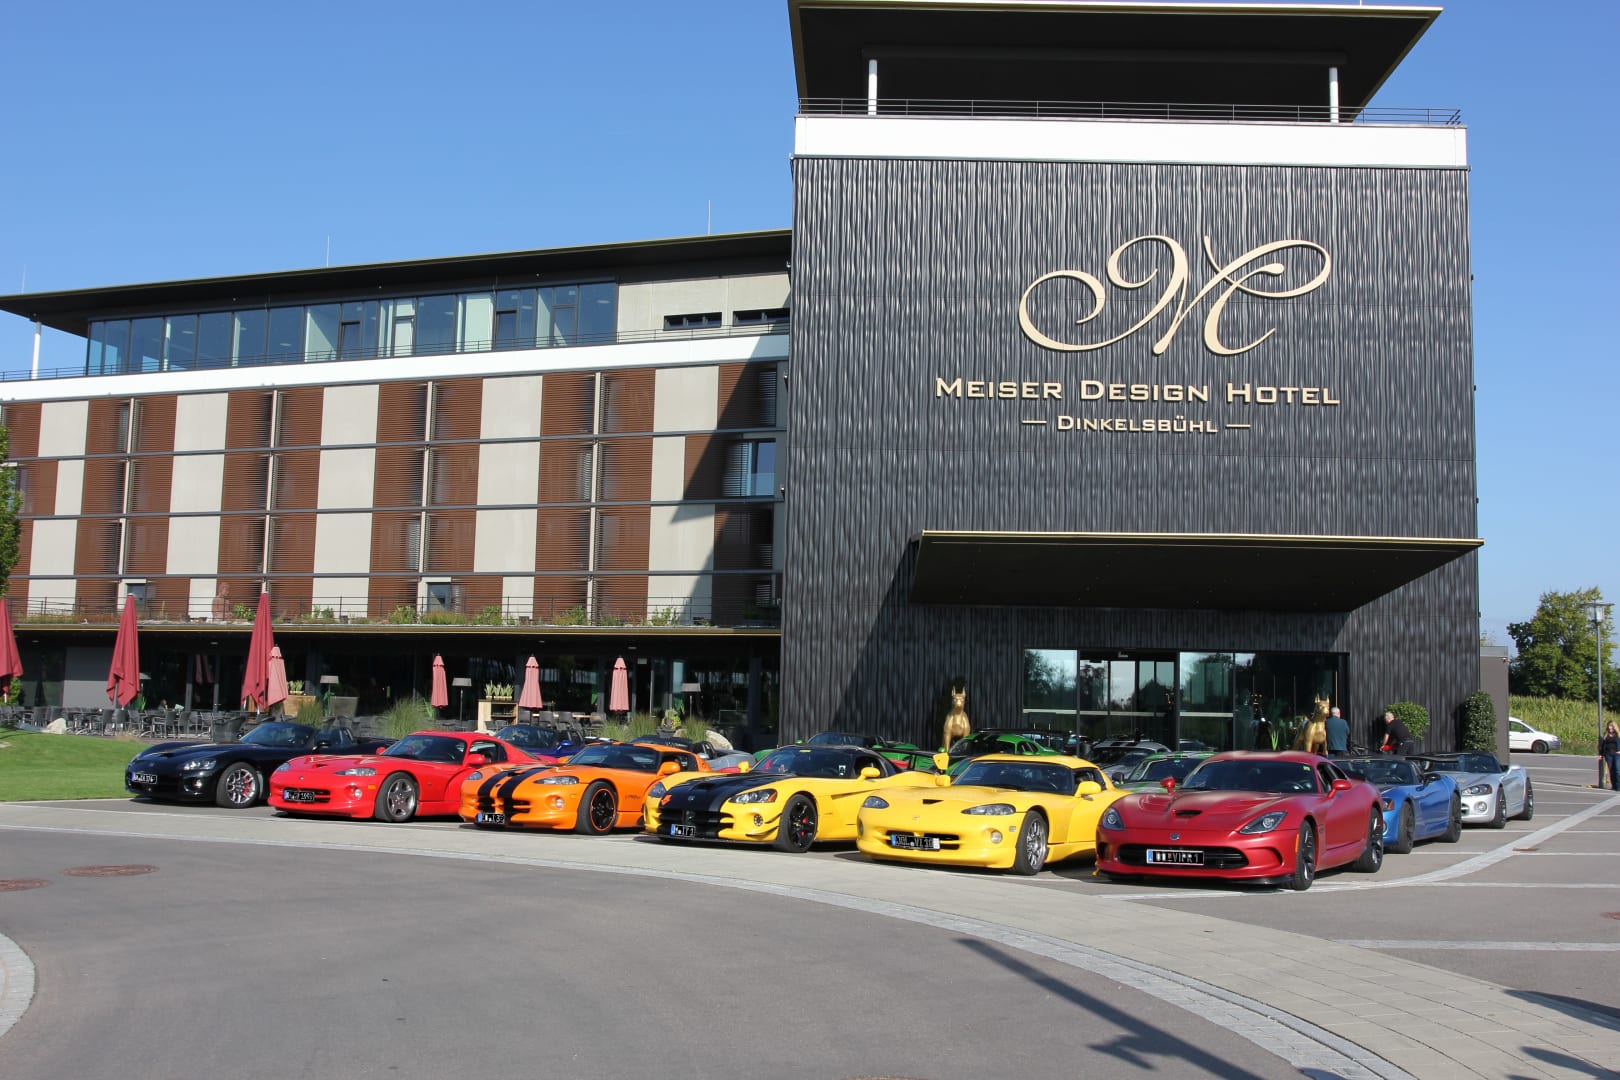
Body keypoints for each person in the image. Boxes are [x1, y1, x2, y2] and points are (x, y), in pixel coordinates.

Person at [1600, 721, 1620, 792]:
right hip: (1608, 754)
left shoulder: (1618, 734)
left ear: (1614, 727)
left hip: (1617, 754)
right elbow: (1602, 745)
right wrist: (1601, 754)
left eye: (1611, 726)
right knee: (1611, 770)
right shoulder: (1606, 735)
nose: (1610, 727)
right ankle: (1614, 786)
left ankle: (1618, 786)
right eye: (1609, 726)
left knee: (1617, 770)